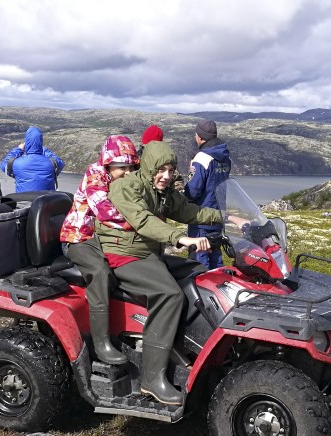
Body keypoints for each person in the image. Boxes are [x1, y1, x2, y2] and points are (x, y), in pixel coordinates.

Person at [96, 141, 227, 406]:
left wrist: (227, 218)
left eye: (171, 170)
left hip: (147, 254)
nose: (167, 176)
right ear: (148, 167)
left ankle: (186, 345)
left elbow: (189, 210)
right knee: (170, 295)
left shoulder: (162, 191)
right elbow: (143, 220)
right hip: (124, 255)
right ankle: (152, 379)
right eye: (161, 170)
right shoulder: (126, 186)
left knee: (200, 274)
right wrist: (180, 238)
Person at [59, 135, 140, 365]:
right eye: (122, 166)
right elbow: (104, 211)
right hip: (78, 238)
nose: (127, 172)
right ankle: (100, 343)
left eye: (131, 166)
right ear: (108, 163)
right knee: (100, 272)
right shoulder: (95, 175)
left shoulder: (122, 179)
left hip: (104, 238)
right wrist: (140, 223)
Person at [184, 119, 231, 268]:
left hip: (201, 216)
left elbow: (193, 191)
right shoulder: (224, 157)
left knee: (199, 259)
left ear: (200, 137)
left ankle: (201, 289)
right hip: (218, 215)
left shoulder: (202, 158)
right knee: (215, 256)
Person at [0, 126, 65, 192]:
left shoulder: (17, 163)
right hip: (46, 201)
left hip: (23, 201)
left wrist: (19, 149)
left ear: (26, 142)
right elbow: (60, 163)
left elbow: (4, 165)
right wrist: (42, 149)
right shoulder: (51, 163)